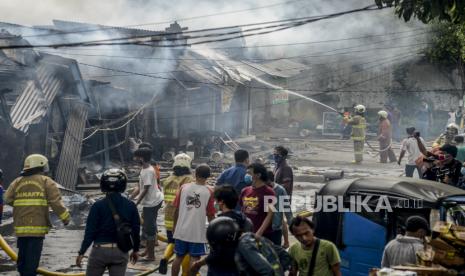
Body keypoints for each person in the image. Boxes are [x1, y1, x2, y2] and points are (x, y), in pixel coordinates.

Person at [4, 154, 70, 276]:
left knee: (22, 260)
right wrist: (66, 218)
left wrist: (21, 205)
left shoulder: (17, 182)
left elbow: (7, 198)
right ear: (40, 166)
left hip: (21, 228)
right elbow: (56, 203)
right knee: (32, 262)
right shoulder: (46, 181)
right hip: (36, 229)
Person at [76, 169, 140, 275]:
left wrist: (82, 252)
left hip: (99, 251)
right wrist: (135, 250)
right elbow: (135, 231)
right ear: (123, 185)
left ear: (103, 185)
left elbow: (90, 232)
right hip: (120, 251)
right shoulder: (131, 206)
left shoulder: (97, 206)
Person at [190, 186, 253, 276]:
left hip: (220, 269)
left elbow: (217, 254)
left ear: (222, 202)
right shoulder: (245, 220)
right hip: (239, 268)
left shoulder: (220, 224)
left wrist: (198, 264)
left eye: (216, 200)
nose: (215, 203)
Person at [171, 164, 216, 276]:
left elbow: (176, 210)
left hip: (181, 230)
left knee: (178, 257)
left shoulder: (183, 187)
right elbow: (210, 214)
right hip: (197, 232)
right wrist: (214, 230)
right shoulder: (210, 191)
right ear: (209, 176)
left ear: (195, 174)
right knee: (194, 258)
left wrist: (174, 226)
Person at [159, 153, 194, 275]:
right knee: (184, 249)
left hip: (168, 216)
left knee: (171, 241)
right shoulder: (188, 179)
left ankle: (165, 257)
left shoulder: (168, 179)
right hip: (181, 217)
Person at [130, 147, 163, 261]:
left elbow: (146, 189)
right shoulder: (145, 168)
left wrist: (137, 202)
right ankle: (147, 251)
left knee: (149, 228)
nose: (135, 159)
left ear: (142, 158)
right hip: (152, 200)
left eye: (136, 157)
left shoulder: (148, 171)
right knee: (148, 226)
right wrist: (131, 198)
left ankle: (151, 256)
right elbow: (140, 186)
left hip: (152, 202)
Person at [239, 163, 276, 237]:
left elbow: (270, 215)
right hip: (246, 233)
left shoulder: (270, 192)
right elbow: (242, 211)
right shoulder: (245, 190)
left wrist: (259, 233)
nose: (247, 176)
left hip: (263, 234)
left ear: (258, 175)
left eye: (249, 173)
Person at [266, 171, 293, 248]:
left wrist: (291, 224)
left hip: (275, 227)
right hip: (263, 227)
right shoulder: (262, 189)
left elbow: (287, 209)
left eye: (269, 183)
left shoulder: (280, 190)